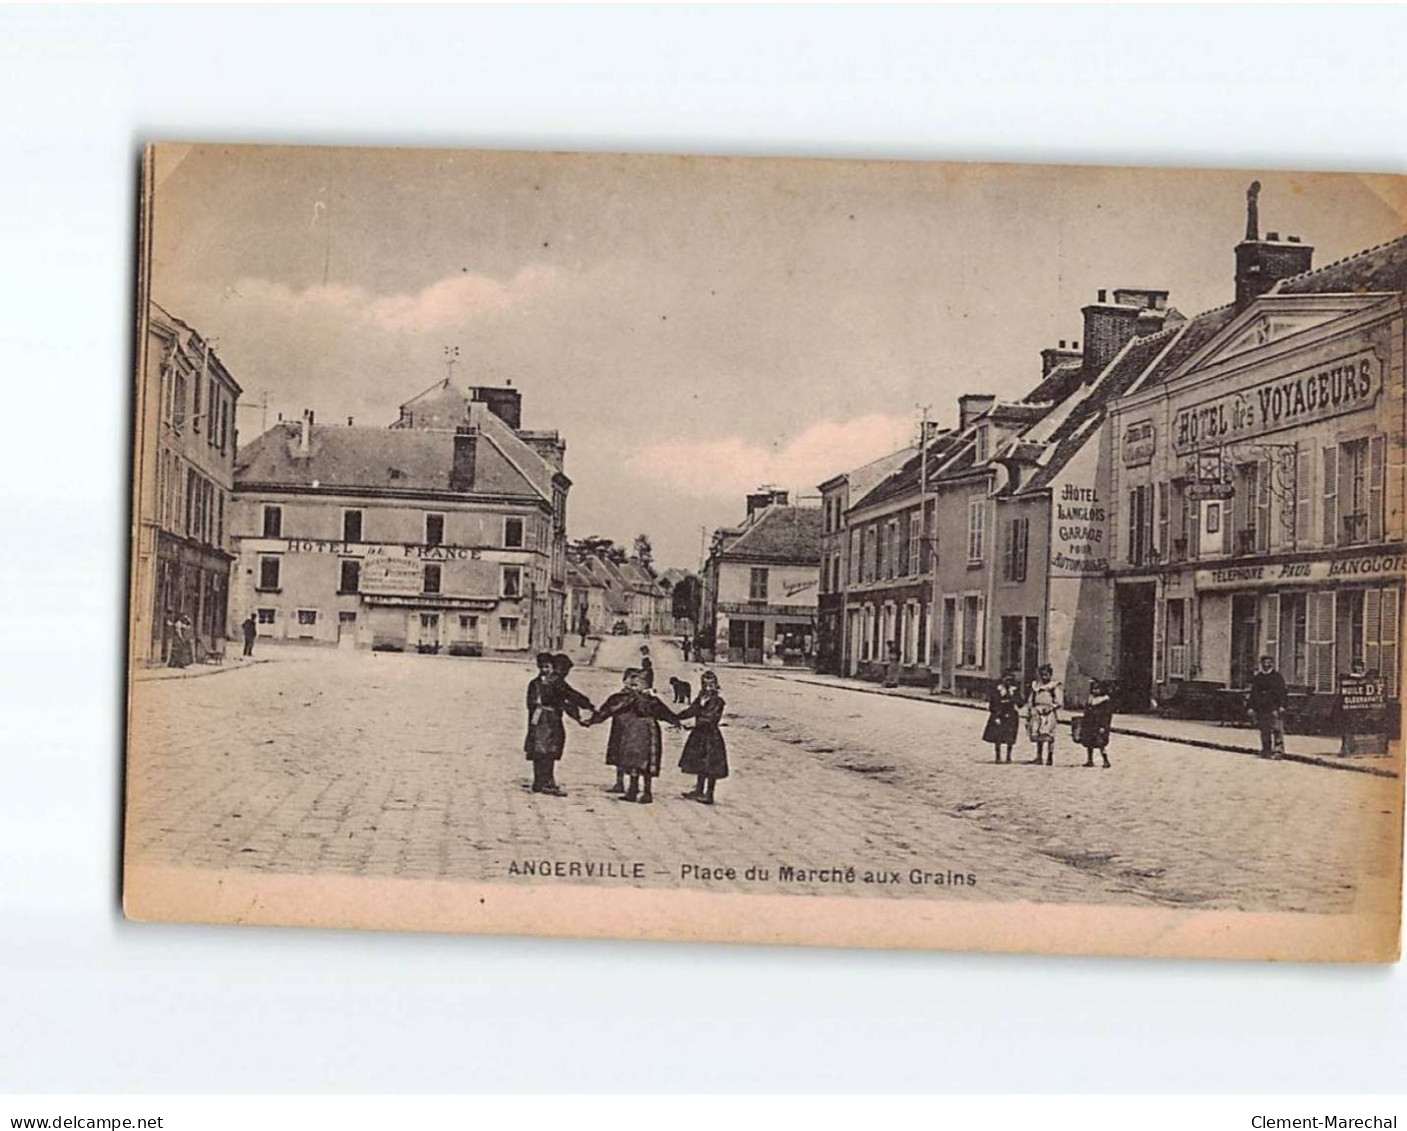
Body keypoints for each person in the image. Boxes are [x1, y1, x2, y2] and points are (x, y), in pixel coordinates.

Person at [588, 667, 679, 804]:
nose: (634, 684)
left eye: (638, 681)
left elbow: (664, 712)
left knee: (643, 762)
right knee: (635, 761)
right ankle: (634, 790)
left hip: (643, 732)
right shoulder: (631, 697)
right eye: (632, 680)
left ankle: (644, 792)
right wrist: (592, 719)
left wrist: (676, 720)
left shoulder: (646, 699)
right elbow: (608, 710)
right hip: (636, 732)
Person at [677, 670, 728, 804]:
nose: (708, 688)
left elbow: (711, 719)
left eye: (711, 685)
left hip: (711, 736)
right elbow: (692, 710)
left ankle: (709, 794)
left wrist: (693, 724)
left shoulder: (718, 701)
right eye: (705, 685)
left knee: (711, 765)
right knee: (699, 762)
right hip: (699, 735)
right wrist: (676, 717)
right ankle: (699, 790)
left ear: (716, 685)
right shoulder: (701, 699)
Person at [1247, 654, 1287, 759]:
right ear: (1261, 664)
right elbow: (1253, 693)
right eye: (1264, 663)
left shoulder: (1277, 677)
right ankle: (1266, 750)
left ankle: (1278, 751)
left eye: (1268, 663)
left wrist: (1282, 705)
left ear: (1272, 664)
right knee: (1264, 730)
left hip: (1274, 707)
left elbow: (1282, 692)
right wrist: (1250, 707)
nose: (1266, 665)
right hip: (1261, 707)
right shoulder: (1258, 677)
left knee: (1277, 729)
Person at [1026, 663, 1063, 765]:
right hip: (1037, 711)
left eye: (1046, 674)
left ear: (1050, 675)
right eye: (1042, 674)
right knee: (1038, 734)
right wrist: (1030, 711)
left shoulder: (1054, 686)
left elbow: (1059, 701)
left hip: (1049, 712)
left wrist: (1052, 707)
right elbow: (1031, 700)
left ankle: (1050, 756)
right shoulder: (1036, 686)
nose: (1044, 677)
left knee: (1049, 734)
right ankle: (1039, 756)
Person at [983, 671, 1021, 763]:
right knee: (998, 736)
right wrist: (995, 715)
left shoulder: (1014, 690)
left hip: (1011, 713)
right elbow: (992, 703)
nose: (1008, 682)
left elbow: (1020, 703)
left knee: (1010, 737)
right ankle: (998, 756)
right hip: (999, 713)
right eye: (1006, 679)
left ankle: (1008, 756)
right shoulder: (997, 689)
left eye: (1010, 680)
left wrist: (1014, 697)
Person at [1080, 679, 1114, 769]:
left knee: (1100, 743)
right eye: (1093, 689)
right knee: (1089, 742)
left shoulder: (1105, 700)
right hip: (1090, 723)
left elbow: (1106, 715)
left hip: (1098, 724)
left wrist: (1103, 726)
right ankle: (1090, 760)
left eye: (1097, 689)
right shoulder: (1091, 699)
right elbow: (1086, 711)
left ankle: (1106, 760)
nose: (1095, 691)